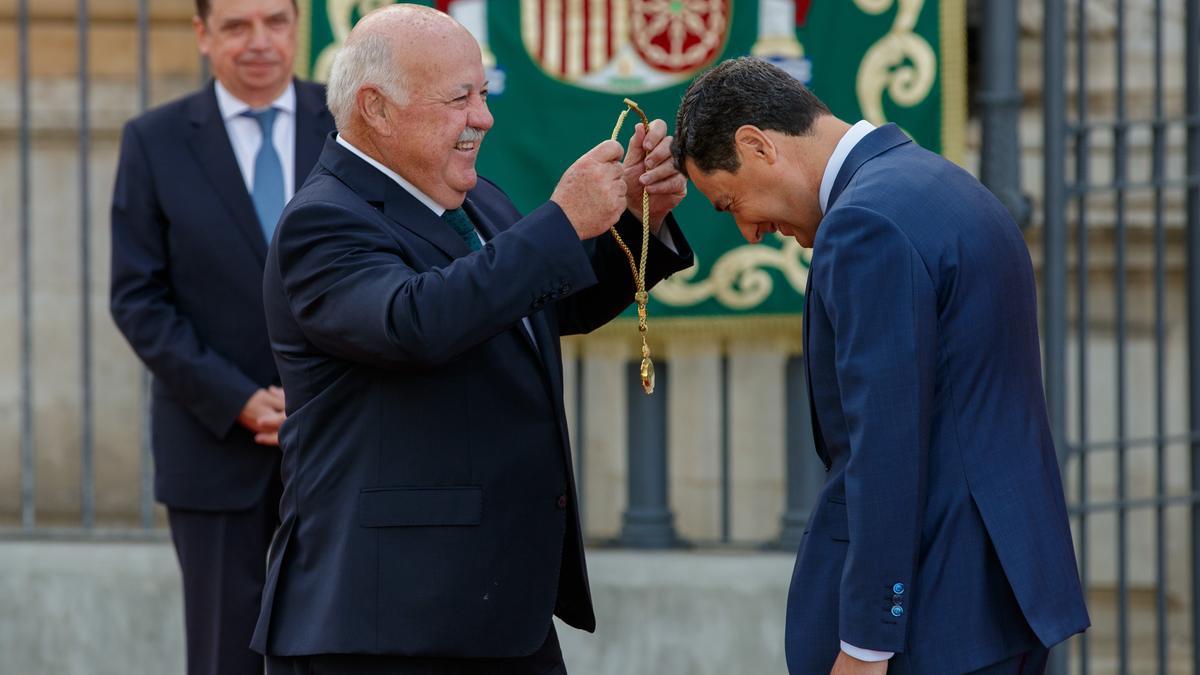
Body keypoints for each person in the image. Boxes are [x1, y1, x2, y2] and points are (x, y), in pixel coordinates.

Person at [251, 5, 692, 673]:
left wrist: (634, 214)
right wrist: (561, 222)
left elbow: (541, 306)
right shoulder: (323, 221)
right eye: (461, 99)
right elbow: (414, 323)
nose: (483, 118)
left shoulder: (477, 198)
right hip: (385, 624)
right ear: (376, 109)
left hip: (497, 609)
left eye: (482, 95)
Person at [673, 57, 1089, 675]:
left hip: (936, 620)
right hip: (1005, 600)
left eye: (730, 201)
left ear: (757, 145)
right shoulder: (937, 182)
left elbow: (886, 448)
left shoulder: (864, 224)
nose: (749, 231)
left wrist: (867, 644)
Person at [108, 0, 334, 672]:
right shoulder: (154, 140)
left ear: (298, 27)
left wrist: (322, 392)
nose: (258, 41)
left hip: (337, 435)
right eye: (236, 26)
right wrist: (237, 397)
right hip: (211, 443)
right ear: (203, 36)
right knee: (222, 653)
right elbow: (138, 298)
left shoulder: (351, 125)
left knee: (344, 644)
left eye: (274, 21)